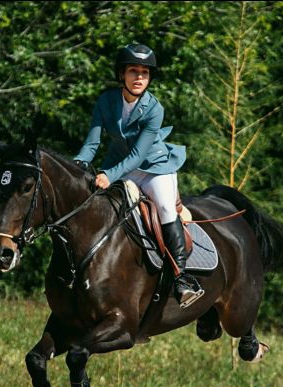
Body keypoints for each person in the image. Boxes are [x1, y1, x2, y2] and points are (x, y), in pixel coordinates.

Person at [73, 43, 204, 308]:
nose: (139, 77)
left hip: (155, 169)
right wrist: (76, 166)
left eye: (145, 72)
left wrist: (109, 174)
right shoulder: (106, 101)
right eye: (134, 71)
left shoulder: (154, 108)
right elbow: (92, 144)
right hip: (121, 167)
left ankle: (182, 278)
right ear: (122, 74)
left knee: (166, 208)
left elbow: (137, 154)